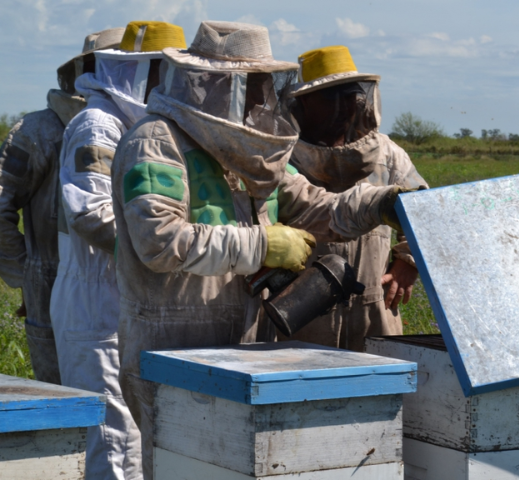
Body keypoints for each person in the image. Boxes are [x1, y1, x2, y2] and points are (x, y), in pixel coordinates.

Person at [111, 21, 408, 478]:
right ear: (216, 85)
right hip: (172, 348)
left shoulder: (251, 157)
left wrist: (383, 203)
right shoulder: (155, 142)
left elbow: (320, 209)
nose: (263, 97)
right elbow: (159, 240)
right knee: (183, 467)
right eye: (254, 84)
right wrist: (262, 244)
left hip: (247, 346)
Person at [51, 21, 186, 480]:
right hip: (97, 306)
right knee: (115, 450)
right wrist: (160, 250)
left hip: (131, 302)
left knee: (144, 446)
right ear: (136, 72)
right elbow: (90, 212)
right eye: (164, 74)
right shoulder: (97, 124)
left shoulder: (145, 129)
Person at [0, 28, 124, 385]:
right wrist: (25, 275)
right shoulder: (37, 131)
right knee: (65, 410)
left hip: (122, 294)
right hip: (53, 290)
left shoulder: (129, 125)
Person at [283, 45, 428, 351]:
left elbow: (426, 210)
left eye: (350, 95)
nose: (345, 105)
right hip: (301, 315)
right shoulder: (282, 160)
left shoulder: (388, 156)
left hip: (375, 310)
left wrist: (408, 261)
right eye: (331, 97)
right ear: (304, 103)